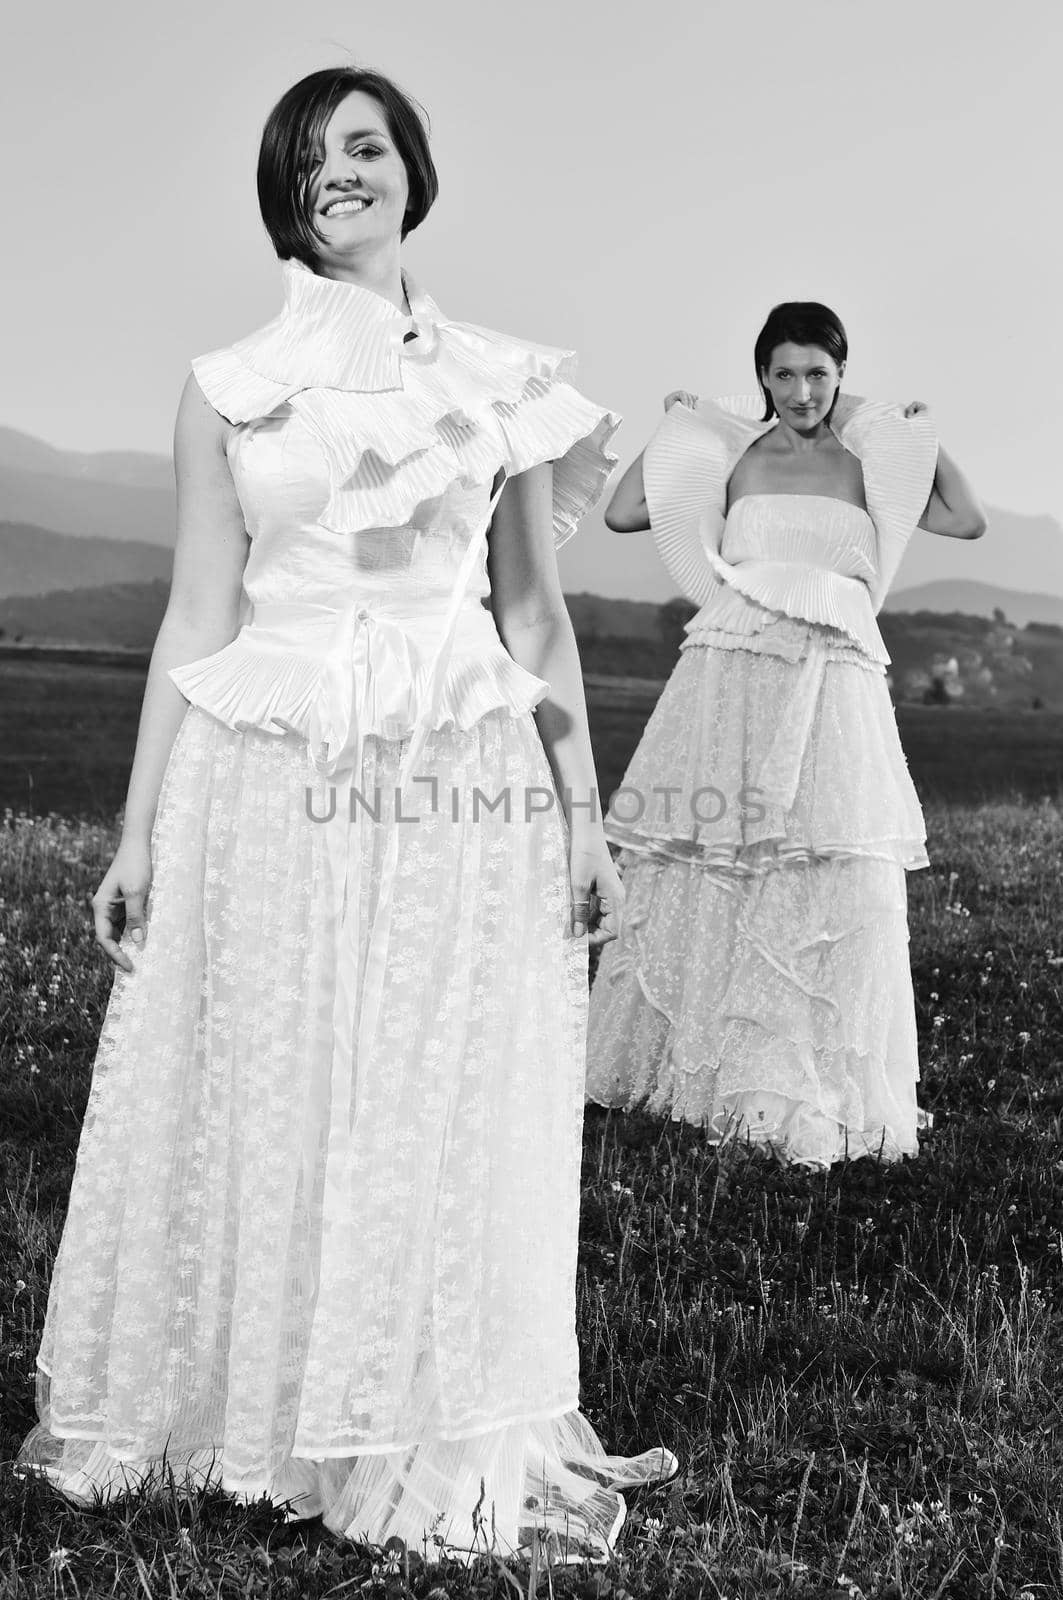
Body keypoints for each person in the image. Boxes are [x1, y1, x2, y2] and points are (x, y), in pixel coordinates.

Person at [18, 66, 675, 1564]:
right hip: (263, 775)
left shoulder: (498, 383)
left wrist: (582, 819)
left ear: (410, 170)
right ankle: (259, 1404)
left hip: (456, 774)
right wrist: (133, 836)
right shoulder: (229, 382)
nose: (342, 176)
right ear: (283, 193)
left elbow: (532, 615)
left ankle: (411, 1412)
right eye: (311, 160)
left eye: (366, 148)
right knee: (275, 1076)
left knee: (428, 1084)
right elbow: (196, 613)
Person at [584, 302, 986, 1167]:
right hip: (731, 677)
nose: (800, 391)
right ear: (761, 376)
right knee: (716, 857)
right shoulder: (732, 454)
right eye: (783, 374)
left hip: (831, 680)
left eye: (817, 374)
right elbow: (624, 513)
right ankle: (696, 1062)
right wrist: (687, 425)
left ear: (841, 377)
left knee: (826, 857)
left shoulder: (867, 465)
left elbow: (963, 518)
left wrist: (908, 431)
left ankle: (807, 1071)